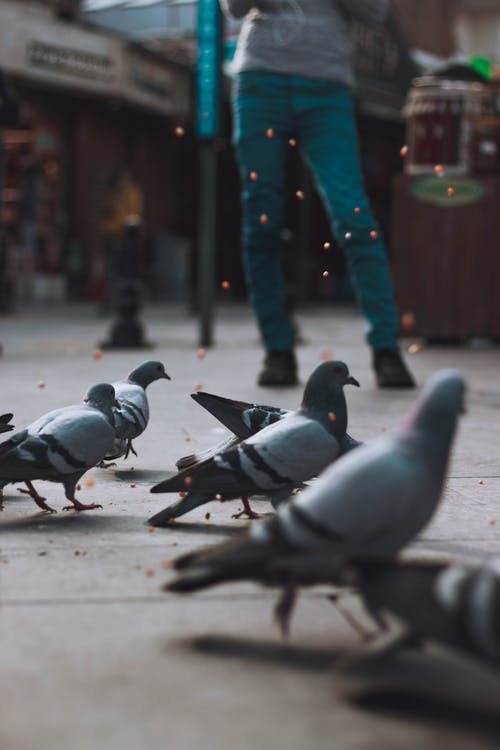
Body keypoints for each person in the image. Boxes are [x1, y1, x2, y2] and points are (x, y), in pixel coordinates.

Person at [219, 0, 415, 388]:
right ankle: (277, 348)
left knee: (354, 215)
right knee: (262, 220)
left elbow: (375, 14)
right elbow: (234, 8)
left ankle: (386, 347)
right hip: (260, 83)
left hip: (328, 91)